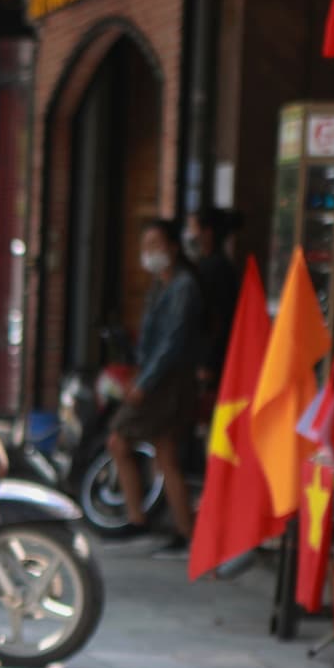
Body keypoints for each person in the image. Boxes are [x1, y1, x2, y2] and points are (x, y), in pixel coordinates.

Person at [107, 217, 204, 555]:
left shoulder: (183, 286)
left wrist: (144, 382)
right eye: (145, 247)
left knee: (122, 441)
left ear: (173, 248)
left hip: (167, 383)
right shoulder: (160, 285)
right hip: (158, 378)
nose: (148, 253)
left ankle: (146, 520)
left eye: (155, 246)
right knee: (165, 455)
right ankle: (181, 528)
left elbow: (172, 342)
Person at [185, 207, 239, 386]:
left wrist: (208, 362)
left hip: (211, 363)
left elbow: (219, 319)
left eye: (192, 228)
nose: (189, 234)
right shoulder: (207, 265)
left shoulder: (215, 269)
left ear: (207, 233)